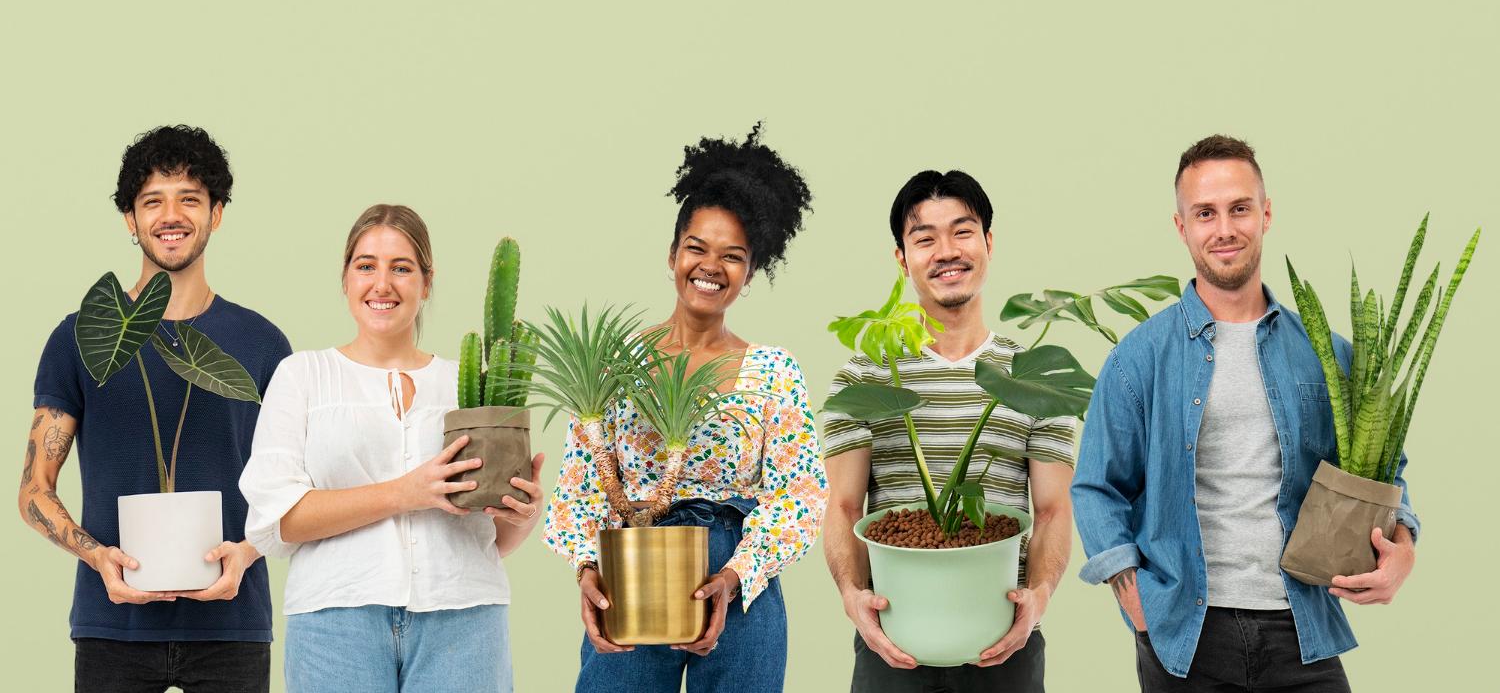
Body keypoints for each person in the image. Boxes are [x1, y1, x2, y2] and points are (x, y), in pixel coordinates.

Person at [1071, 135, 1420, 691]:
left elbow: (1385, 472)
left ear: (1266, 213)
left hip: (1300, 625)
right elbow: (1096, 487)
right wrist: (1132, 594)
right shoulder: (1139, 357)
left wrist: (1403, 547)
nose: (1224, 229)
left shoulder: (1326, 353)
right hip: (1183, 631)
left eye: (1239, 208)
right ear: (1182, 226)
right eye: (1205, 213)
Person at [544, 124, 828, 693]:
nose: (710, 266)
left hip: (738, 573)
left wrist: (733, 576)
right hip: (632, 564)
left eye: (733, 256)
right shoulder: (616, 364)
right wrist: (587, 568)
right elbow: (582, 481)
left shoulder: (773, 371)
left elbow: (800, 493)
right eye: (697, 247)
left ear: (750, 273)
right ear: (673, 254)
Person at [23, 124, 291, 693]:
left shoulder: (261, 343)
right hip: (112, 625)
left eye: (190, 199)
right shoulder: (83, 337)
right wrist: (98, 559)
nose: (171, 215)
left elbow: (298, 488)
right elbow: (34, 490)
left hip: (233, 624)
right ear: (130, 219)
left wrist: (245, 553)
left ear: (217, 213)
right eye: (153, 201)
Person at [240, 204, 544, 693]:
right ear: (345, 279)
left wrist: (521, 515)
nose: (382, 284)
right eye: (366, 266)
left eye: (401, 268)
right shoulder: (303, 376)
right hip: (335, 621)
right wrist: (406, 492)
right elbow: (280, 521)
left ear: (426, 283)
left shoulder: (465, 384)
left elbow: (490, 539)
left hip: (464, 617)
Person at [821, 169, 1076, 692]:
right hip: (892, 638)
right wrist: (852, 595)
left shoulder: (1034, 377)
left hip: (1004, 640)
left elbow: (1052, 507)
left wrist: (1041, 596)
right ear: (902, 257)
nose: (947, 251)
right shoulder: (867, 374)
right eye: (925, 238)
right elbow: (843, 506)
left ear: (988, 242)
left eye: (962, 231)